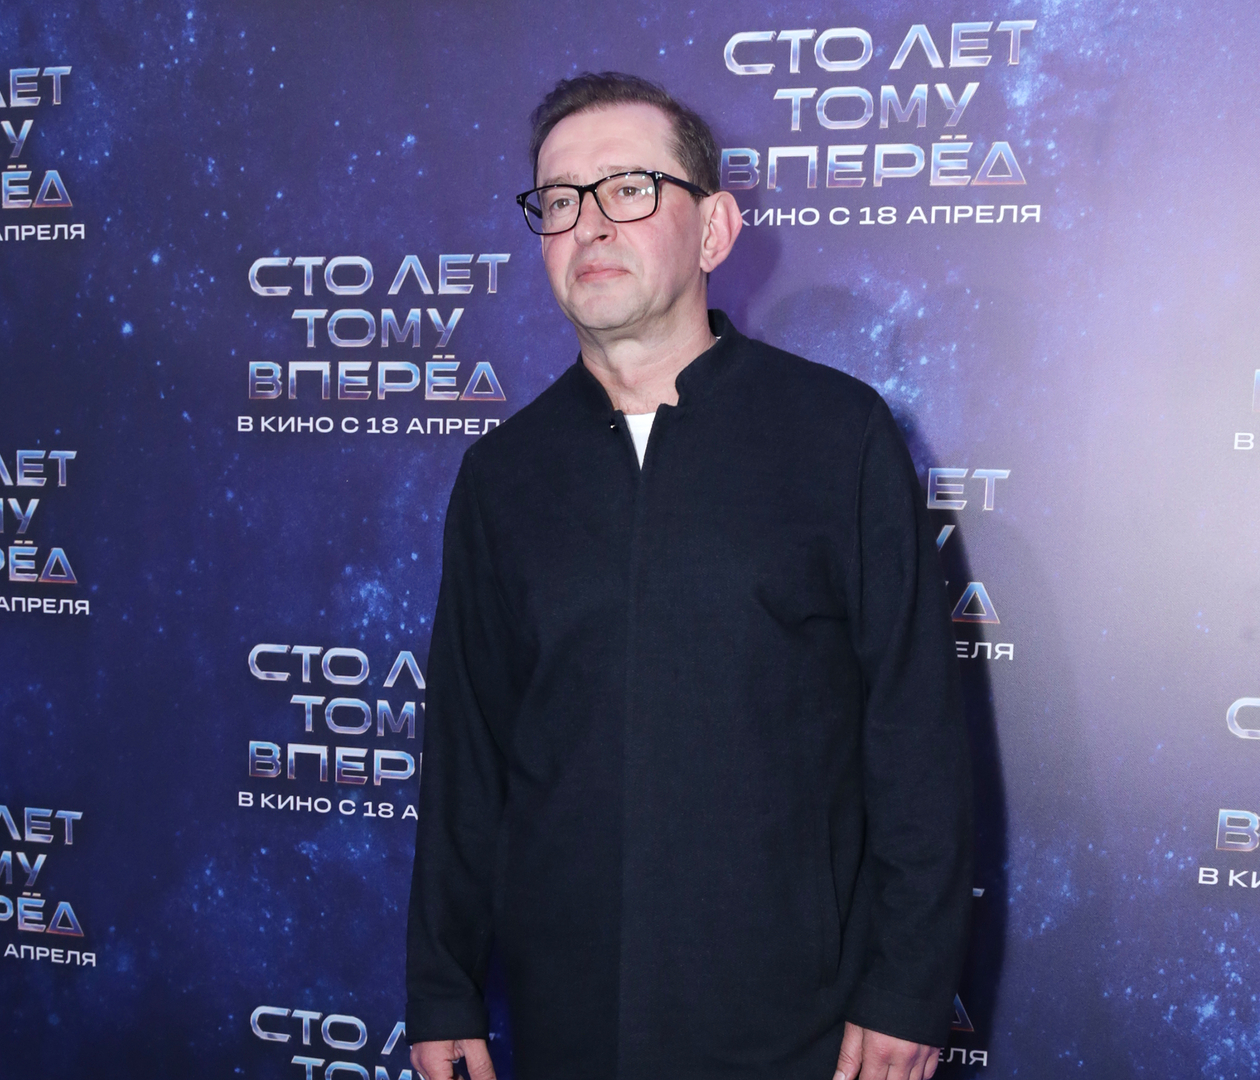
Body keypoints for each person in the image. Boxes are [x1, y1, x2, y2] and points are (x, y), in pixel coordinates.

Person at [405, 71, 972, 1080]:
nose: (589, 224)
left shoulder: (836, 435)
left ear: (713, 230)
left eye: (629, 189)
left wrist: (910, 984)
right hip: (568, 1021)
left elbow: (915, 731)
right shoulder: (503, 477)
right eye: (559, 200)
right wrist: (443, 984)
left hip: (801, 1029)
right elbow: (466, 754)